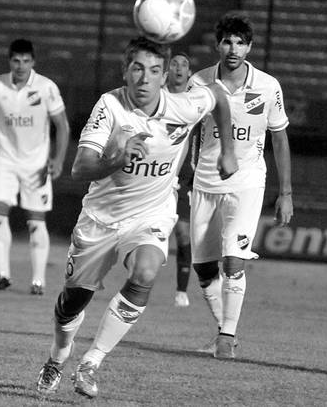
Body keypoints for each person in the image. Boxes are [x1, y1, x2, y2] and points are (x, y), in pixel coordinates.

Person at [36, 37, 237, 398]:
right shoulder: (110, 106)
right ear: (125, 72)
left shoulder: (184, 105)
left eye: (155, 71)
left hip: (151, 215)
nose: (145, 78)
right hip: (100, 219)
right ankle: (58, 356)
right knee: (71, 306)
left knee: (145, 272)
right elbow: (81, 167)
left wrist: (227, 151)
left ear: (165, 77)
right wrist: (118, 157)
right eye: (137, 69)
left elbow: (219, 97)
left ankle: (92, 362)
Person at [189, 13, 293, 359]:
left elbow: (279, 138)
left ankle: (226, 337)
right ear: (218, 45)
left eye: (239, 42)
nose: (233, 49)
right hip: (205, 182)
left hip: (247, 182)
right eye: (227, 41)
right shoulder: (199, 83)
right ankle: (224, 329)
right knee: (204, 268)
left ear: (249, 47)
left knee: (233, 261)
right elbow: (183, 132)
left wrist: (286, 193)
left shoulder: (268, 86)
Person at [0, 39, 70, 295]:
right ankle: (3, 275)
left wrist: (58, 159)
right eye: (16, 61)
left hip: (37, 165)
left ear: (33, 62)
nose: (20, 66)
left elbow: (63, 126)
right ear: (9, 61)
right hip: (6, 162)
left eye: (25, 61)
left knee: (35, 222)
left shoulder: (46, 88)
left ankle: (38, 281)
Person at [166, 51, 194, 308]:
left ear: (188, 72)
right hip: (157, 173)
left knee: (183, 233)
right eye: (174, 63)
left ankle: (181, 290)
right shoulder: (157, 98)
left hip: (185, 178)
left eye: (183, 64)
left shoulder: (196, 102)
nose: (178, 68)